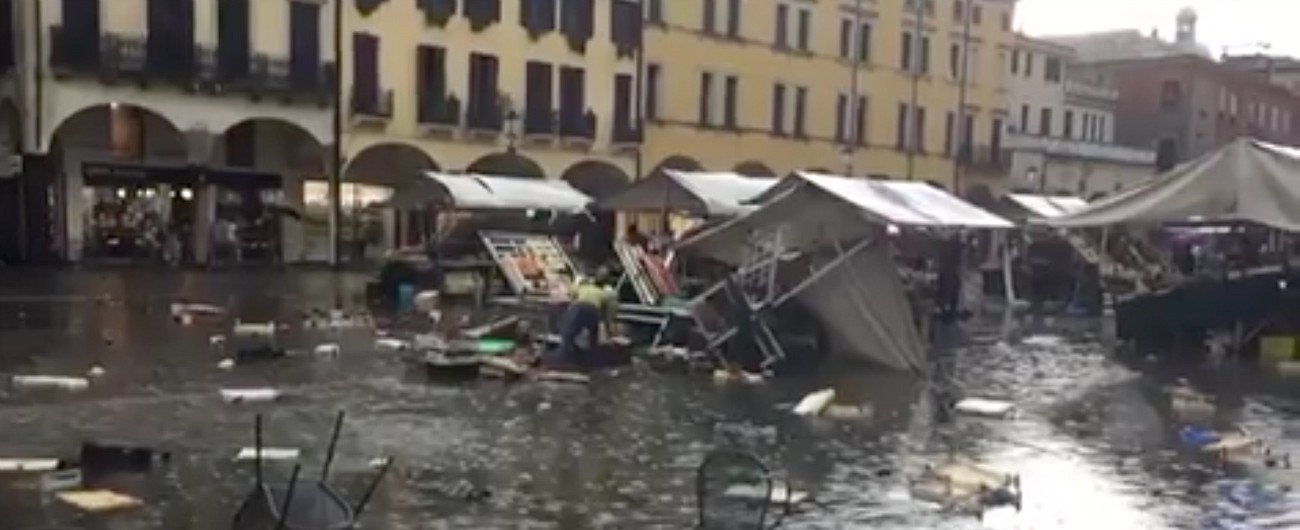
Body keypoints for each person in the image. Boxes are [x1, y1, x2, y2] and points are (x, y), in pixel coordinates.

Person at [552, 268, 619, 370]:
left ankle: (564, 359)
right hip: (592, 312)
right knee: (593, 339)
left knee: (569, 336)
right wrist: (610, 332)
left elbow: (571, 294)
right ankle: (591, 362)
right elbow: (609, 316)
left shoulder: (583, 287)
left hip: (578, 309)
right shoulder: (608, 294)